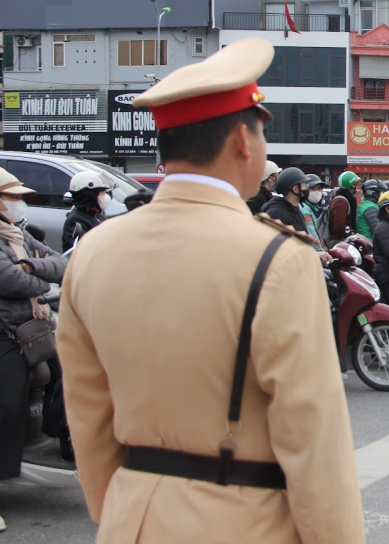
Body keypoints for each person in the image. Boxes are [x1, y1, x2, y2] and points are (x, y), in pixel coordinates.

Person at [55, 38, 365, 542]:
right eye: (262, 131)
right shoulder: (278, 259)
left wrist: (122, 509)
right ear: (242, 141)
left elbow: (87, 411)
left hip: (129, 521)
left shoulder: (94, 250)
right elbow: (313, 440)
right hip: (242, 523)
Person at [0, 168, 68, 533]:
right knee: (7, 406)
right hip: (6, 333)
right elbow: (8, 279)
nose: (19, 203)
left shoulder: (16, 233)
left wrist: (30, 265)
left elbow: (61, 262)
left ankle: (62, 443)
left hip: (33, 328)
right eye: (12, 197)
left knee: (65, 380)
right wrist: (40, 277)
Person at [62, 171, 111, 252]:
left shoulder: (97, 214)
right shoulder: (75, 221)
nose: (106, 196)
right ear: (89, 194)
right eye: (102, 192)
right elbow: (78, 252)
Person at [299, 174, 328, 251]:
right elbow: (311, 233)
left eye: (319, 189)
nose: (317, 192)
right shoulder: (304, 208)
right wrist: (320, 250)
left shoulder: (314, 207)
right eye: (312, 188)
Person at [328, 171, 359, 243]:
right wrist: (351, 234)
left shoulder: (345, 199)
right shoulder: (341, 202)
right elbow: (339, 226)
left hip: (343, 240)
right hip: (339, 241)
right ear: (353, 185)